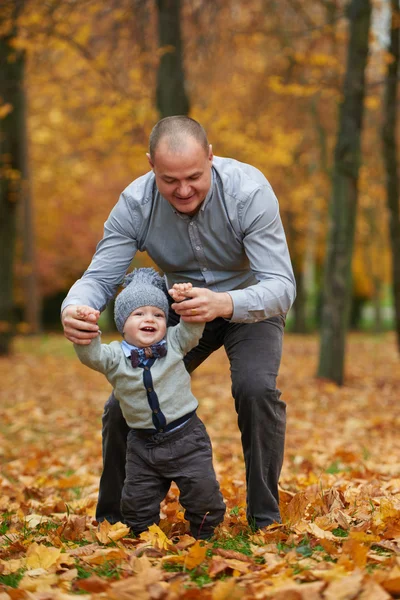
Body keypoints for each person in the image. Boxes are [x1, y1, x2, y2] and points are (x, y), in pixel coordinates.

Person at [62, 115, 296, 531]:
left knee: (255, 388)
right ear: (151, 164)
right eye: (170, 180)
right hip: (183, 309)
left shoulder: (249, 191)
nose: (183, 190)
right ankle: (113, 518)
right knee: (121, 404)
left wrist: (224, 302)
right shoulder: (135, 204)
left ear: (210, 156)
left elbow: (281, 286)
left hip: (250, 304)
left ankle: (265, 515)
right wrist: (76, 307)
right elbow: (100, 277)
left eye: (194, 176)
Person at [74, 268, 226, 539]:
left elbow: (192, 329)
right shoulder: (113, 357)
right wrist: (86, 327)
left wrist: (184, 302)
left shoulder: (174, 343)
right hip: (142, 445)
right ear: (122, 323)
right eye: (139, 314)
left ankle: (204, 533)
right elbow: (91, 355)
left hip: (187, 438)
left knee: (202, 493)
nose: (150, 319)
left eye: (158, 314)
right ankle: (144, 535)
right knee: (136, 501)